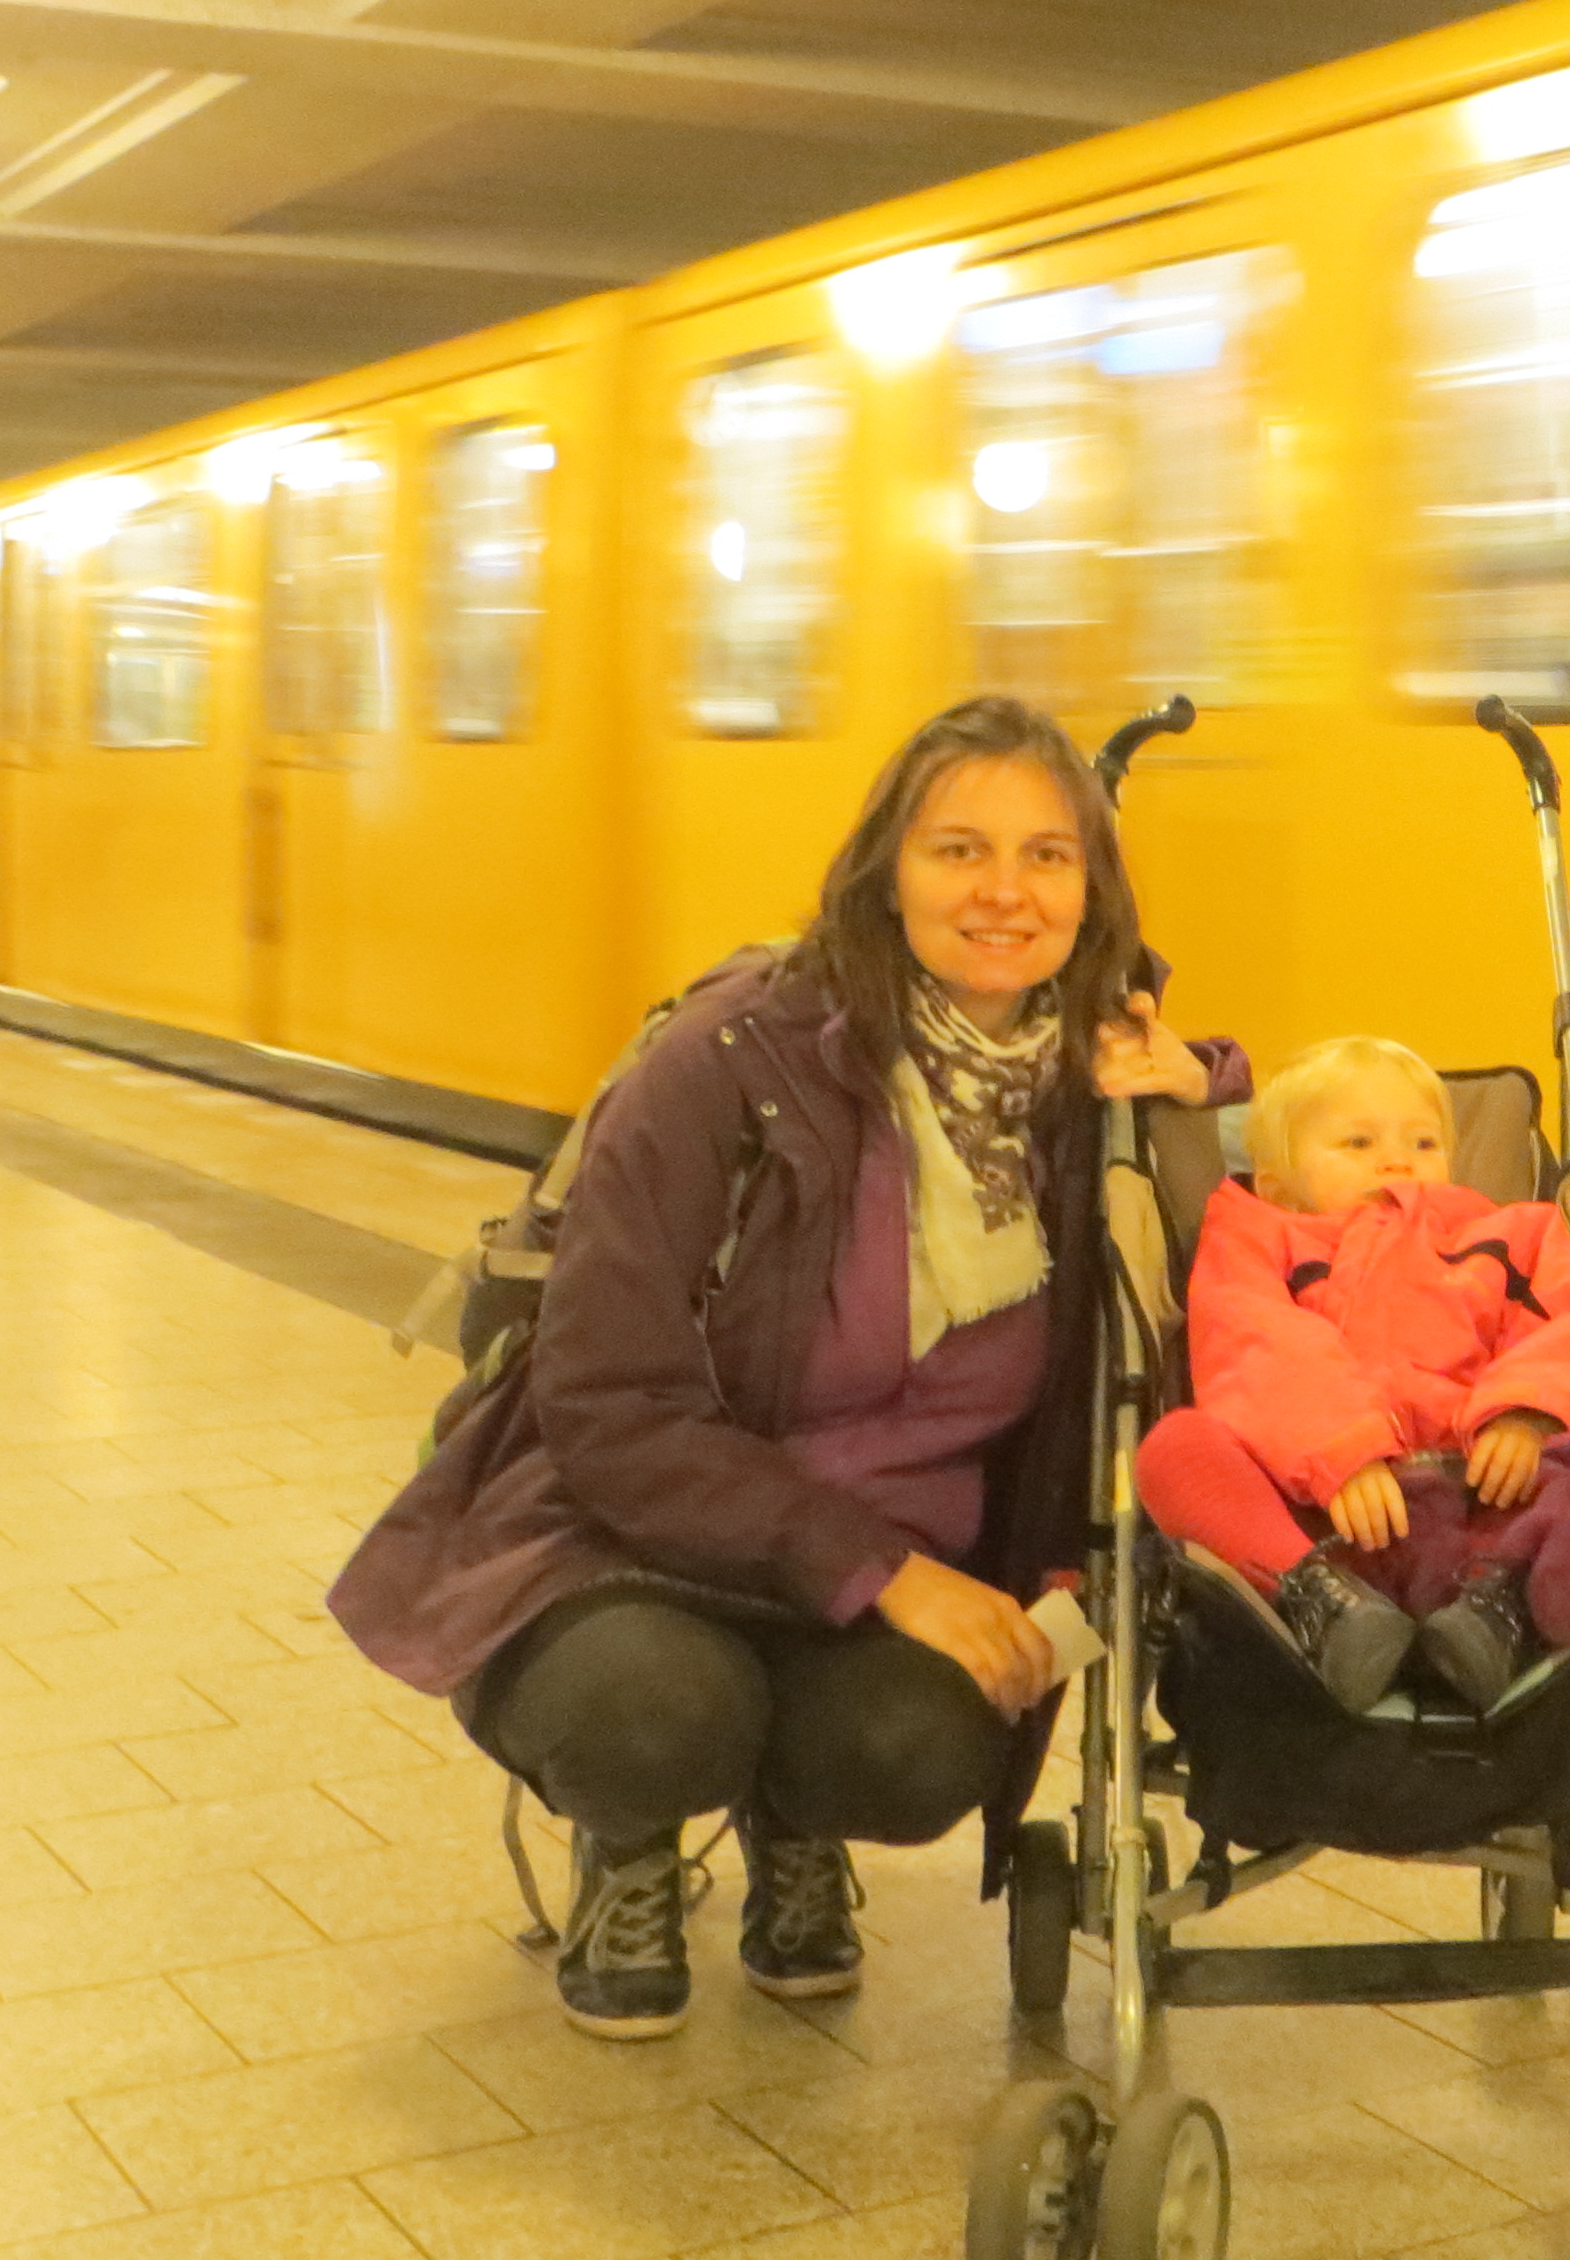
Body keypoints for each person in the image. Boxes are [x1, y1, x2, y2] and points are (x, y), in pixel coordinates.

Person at [329, 697, 1239, 2037]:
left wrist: (1206, 1086)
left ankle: (795, 1824)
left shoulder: (1086, 1095)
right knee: (653, 1716)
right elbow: (607, 1402)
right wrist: (884, 1573)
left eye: (1047, 856)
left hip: (886, 1564)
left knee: (925, 1750)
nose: (1004, 891)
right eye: (959, 850)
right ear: (885, 871)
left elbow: (1274, 1207)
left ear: (1092, 892)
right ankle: (626, 1845)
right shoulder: (735, 1060)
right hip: (626, 1546)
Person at [1131, 1035, 1570, 1714]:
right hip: (1323, 1519)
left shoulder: (1514, 1233)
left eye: (1424, 1143)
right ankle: (1316, 1600)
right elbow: (1253, 1342)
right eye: (1358, 1143)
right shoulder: (1258, 1233)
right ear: (1279, 1186)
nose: (1398, 1160)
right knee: (1173, 1449)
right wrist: (1341, 1451)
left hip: (1495, 1509)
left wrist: (1529, 1412)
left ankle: (1515, 1603)